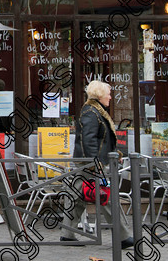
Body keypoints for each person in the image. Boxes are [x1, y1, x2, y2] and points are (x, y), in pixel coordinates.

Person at [61, 80, 134, 249]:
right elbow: (89, 140)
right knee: (106, 197)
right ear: (100, 95)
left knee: (77, 198)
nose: (110, 96)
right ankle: (122, 237)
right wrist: (96, 164)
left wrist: (116, 155)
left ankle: (67, 235)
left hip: (88, 162)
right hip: (90, 164)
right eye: (108, 93)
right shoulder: (91, 112)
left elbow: (101, 139)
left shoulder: (94, 111)